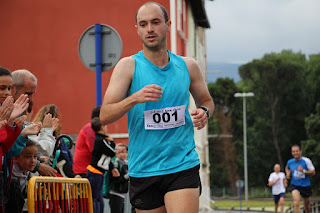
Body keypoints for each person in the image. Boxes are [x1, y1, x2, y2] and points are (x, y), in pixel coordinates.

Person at [100, 2, 214, 212]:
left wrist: (204, 112)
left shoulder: (187, 65)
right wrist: (134, 98)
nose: (149, 29)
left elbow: (207, 101)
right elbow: (104, 116)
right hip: (144, 168)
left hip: (182, 164)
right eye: (143, 24)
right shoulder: (128, 66)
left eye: (155, 22)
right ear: (137, 29)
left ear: (168, 24)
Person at [7, 69, 57, 177]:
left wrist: (37, 157)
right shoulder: (7, 112)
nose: (30, 99)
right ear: (13, 88)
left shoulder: (19, 113)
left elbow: (24, 145)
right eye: (27, 93)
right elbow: (8, 147)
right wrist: (47, 131)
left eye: (32, 94)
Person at [87, 117, 119, 213]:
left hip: (98, 173)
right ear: (102, 127)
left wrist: (112, 168)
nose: (107, 128)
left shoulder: (102, 140)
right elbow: (112, 152)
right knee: (95, 198)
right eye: (106, 126)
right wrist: (112, 142)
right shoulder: (100, 140)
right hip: (94, 172)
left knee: (98, 198)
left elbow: (106, 157)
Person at [5, 139, 38, 213]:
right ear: (16, 158)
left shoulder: (27, 171)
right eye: (28, 157)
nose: (33, 161)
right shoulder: (10, 176)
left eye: (35, 156)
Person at [285, 144, 316, 213]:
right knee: (296, 203)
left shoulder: (306, 161)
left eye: (297, 151)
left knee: (307, 207)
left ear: (300, 152)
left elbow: (313, 172)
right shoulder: (290, 162)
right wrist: (287, 173)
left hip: (305, 185)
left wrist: (304, 171)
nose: (295, 153)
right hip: (295, 185)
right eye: (293, 151)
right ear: (292, 153)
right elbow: (287, 167)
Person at [73, 106, 101, 177]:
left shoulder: (91, 128)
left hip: (88, 169)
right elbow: (94, 149)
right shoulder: (90, 129)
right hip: (84, 171)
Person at [109, 143, 129, 213]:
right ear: (116, 153)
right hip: (115, 193)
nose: (124, 154)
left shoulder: (125, 163)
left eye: (126, 152)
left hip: (122, 193)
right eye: (121, 152)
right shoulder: (116, 163)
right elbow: (116, 180)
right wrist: (127, 176)